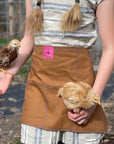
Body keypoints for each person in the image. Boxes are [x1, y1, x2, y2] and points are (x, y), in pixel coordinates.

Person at [0, 0, 114, 143]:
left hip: (79, 95)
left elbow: (111, 49)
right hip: (39, 90)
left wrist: (92, 100)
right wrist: (8, 73)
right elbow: (29, 40)